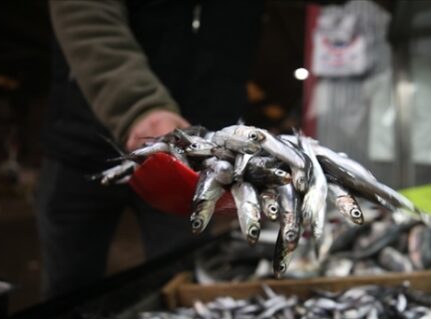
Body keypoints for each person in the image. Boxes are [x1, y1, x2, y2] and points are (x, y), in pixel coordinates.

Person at [38, 0, 264, 297]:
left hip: (196, 169)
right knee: (68, 293)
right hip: (85, 142)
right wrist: (138, 106)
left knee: (179, 288)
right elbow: (85, 11)